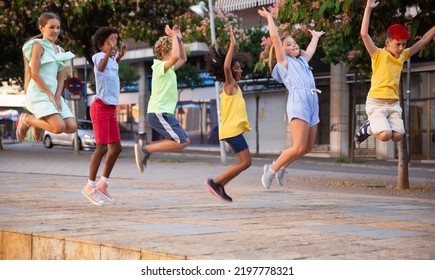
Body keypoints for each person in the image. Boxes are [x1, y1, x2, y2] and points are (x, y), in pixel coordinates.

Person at [258, 7, 324, 189]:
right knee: (298, 146)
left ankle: (282, 166)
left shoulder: (302, 61)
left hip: (312, 102)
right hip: (299, 102)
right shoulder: (284, 64)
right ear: (281, 50)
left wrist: (315, 37)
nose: (294, 45)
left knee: (307, 147)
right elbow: (275, 39)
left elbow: (309, 51)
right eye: (289, 44)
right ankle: (271, 170)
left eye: (295, 43)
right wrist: (270, 18)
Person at [354, 0, 435, 144]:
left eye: (404, 44)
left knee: (397, 137)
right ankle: (369, 128)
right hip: (376, 103)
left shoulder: (403, 55)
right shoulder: (377, 54)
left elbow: (422, 41)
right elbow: (364, 34)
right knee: (385, 135)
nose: (401, 48)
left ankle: (377, 126)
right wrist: (368, 8)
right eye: (398, 44)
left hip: (393, 104)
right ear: (387, 43)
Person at [203, 27, 252, 202]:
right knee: (246, 162)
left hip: (233, 130)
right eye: (237, 68)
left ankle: (220, 185)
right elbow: (226, 66)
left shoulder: (234, 87)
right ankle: (215, 182)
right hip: (231, 130)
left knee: (245, 162)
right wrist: (232, 46)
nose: (240, 70)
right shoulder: (229, 84)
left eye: (240, 68)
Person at [134, 25, 189, 172]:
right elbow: (176, 56)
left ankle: (145, 148)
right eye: (172, 48)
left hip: (165, 113)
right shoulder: (159, 66)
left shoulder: (169, 68)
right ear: (165, 53)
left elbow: (183, 57)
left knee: (185, 140)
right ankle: (145, 148)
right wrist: (173, 37)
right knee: (180, 140)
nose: (175, 50)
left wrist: (179, 38)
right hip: (158, 112)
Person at [82, 27, 127, 206]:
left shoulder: (112, 59)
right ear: (101, 44)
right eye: (111, 40)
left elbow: (111, 66)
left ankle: (103, 183)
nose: (114, 43)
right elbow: (100, 69)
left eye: (116, 40)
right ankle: (89, 186)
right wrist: (109, 53)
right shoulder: (98, 57)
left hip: (110, 109)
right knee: (101, 147)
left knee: (116, 148)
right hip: (100, 107)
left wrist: (119, 55)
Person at [17, 12, 77, 142]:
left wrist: (56, 96)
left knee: (72, 127)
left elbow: (61, 78)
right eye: (52, 27)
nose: (56, 31)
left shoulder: (61, 51)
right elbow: (34, 74)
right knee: (58, 127)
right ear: (41, 28)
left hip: (54, 94)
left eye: (58, 27)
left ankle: (37, 120)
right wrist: (50, 94)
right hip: (39, 93)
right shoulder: (38, 46)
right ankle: (28, 119)